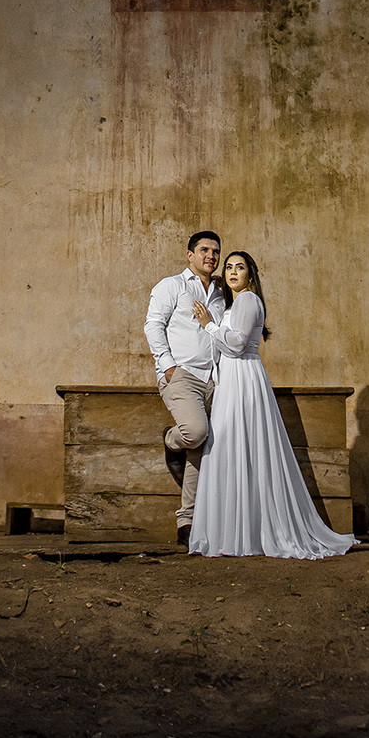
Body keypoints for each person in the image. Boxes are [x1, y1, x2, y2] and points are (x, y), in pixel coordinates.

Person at [188, 251, 356, 559]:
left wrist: (208, 325)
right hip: (232, 379)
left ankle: (247, 534)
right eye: (229, 267)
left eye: (240, 267)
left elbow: (237, 346)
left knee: (236, 444)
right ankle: (237, 532)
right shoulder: (235, 304)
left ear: (251, 274)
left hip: (242, 377)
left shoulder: (249, 301)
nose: (233, 271)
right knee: (229, 445)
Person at [143, 231, 227, 546]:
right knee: (194, 432)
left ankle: (187, 522)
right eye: (204, 250)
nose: (211, 256)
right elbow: (153, 324)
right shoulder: (171, 286)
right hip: (182, 375)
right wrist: (167, 365)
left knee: (202, 446)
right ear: (189, 254)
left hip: (215, 379)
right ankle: (171, 438)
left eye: (216, 251)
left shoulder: (220, 293)